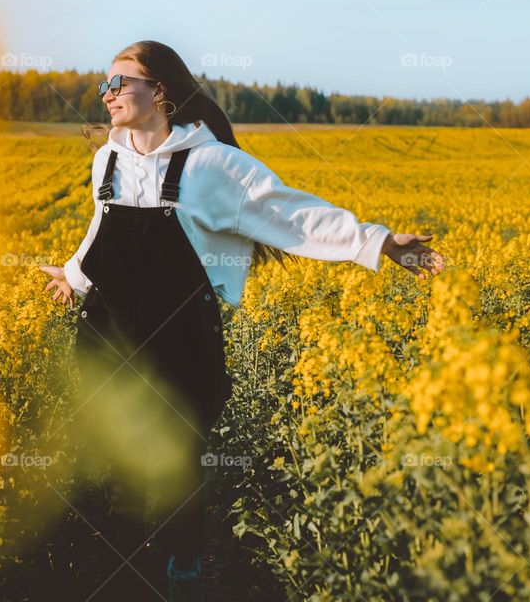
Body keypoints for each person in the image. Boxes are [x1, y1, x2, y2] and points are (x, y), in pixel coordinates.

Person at [40, 40, 445, 601]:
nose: (107, 94)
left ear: (159, 91)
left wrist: (377, 243)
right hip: (109, 331)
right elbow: (100, 228)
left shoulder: (211, 166)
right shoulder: (106, 159)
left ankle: (184, 565)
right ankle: (126, 580)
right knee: (117, 467)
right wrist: (73, 274)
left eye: (120, 82)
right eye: (103, 84)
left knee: (180, 466)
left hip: (180, 337)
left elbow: (290, 212)